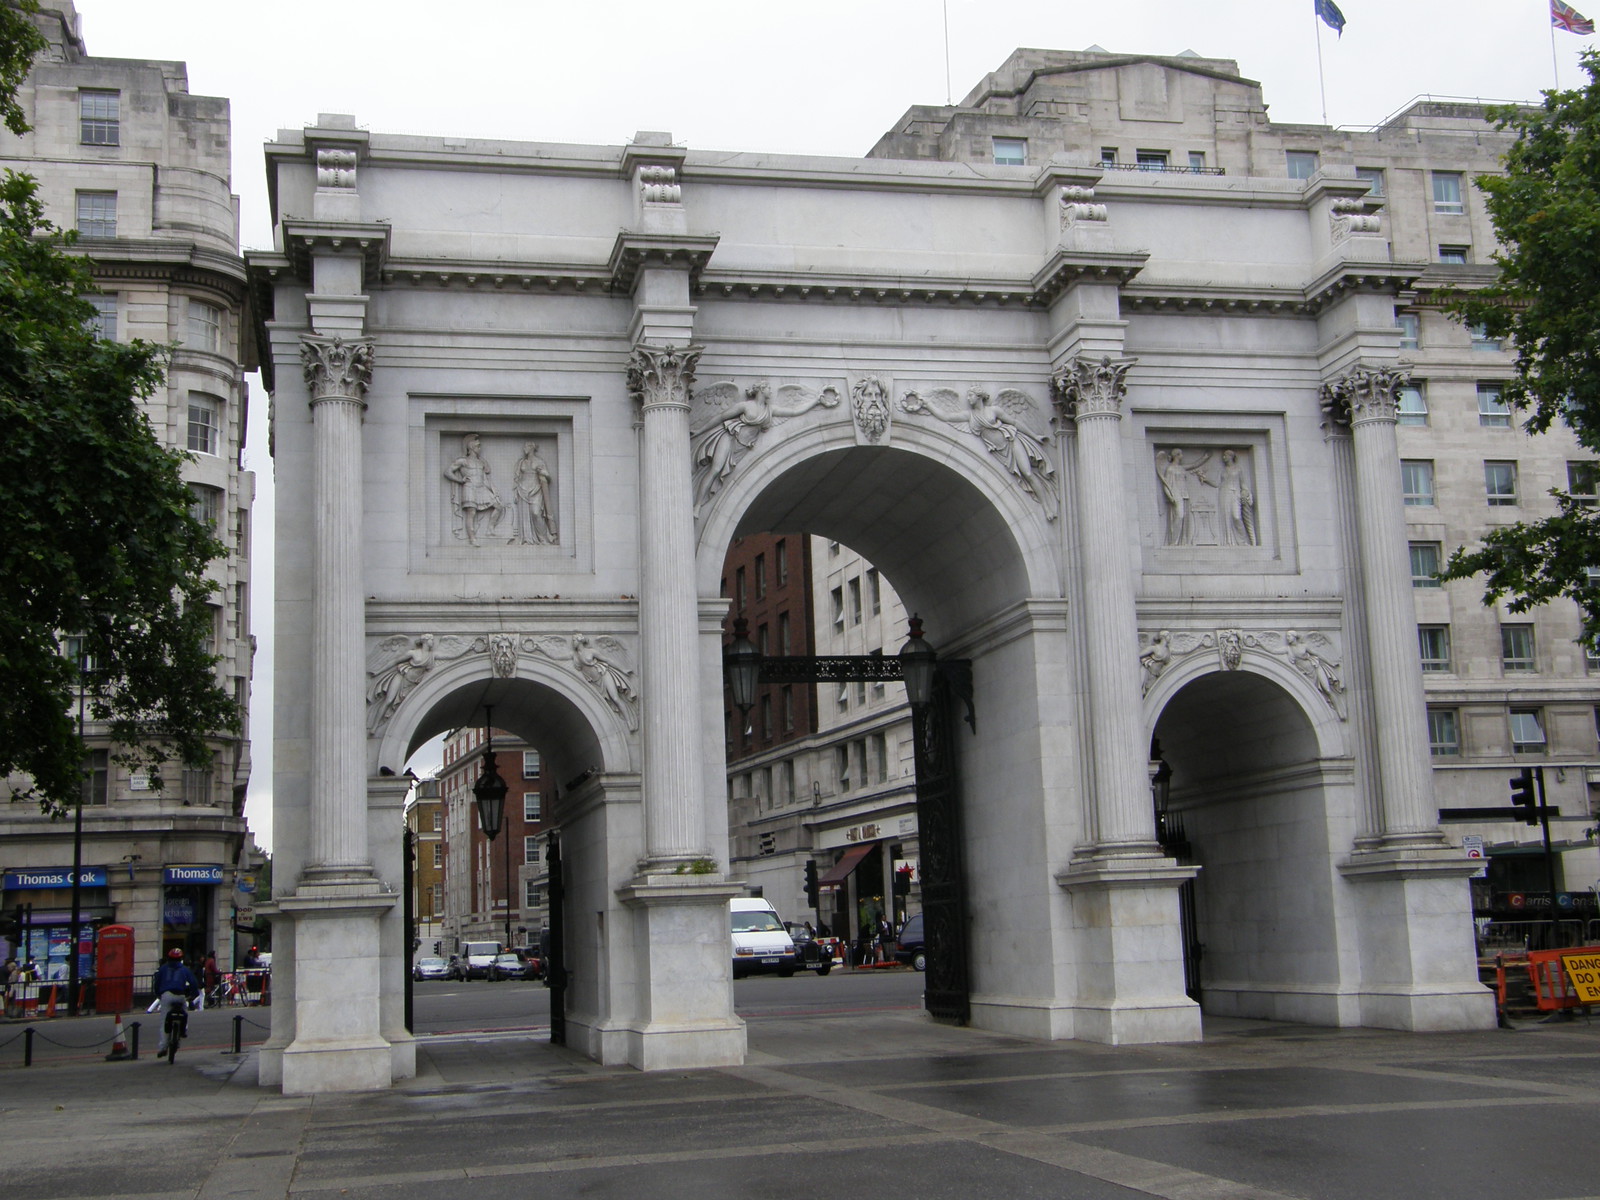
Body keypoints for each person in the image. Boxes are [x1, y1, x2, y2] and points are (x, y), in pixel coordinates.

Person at [151, 948, 200, 1056]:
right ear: (180, 958)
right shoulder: (184, 969)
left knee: (164, 1022)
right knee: (184, 1013)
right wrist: (193, 994)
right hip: (180, 995)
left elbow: (157, 982)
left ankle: (163, 1047)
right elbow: (193, 982)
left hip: (167, 995)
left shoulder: (163, 968)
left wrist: (158, 993)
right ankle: (183, 1031)